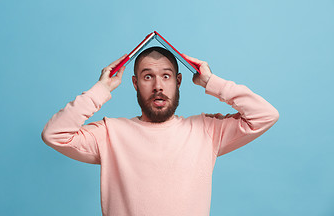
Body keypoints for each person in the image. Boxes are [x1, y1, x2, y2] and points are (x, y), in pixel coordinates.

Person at [41, 46, 279, 216]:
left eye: (166, 76)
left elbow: (265, 115)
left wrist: (212, 82)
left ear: (178, 81)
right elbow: (55, 134)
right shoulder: (110, 133)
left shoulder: (206, 130)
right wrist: (101, 89)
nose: (158, 86)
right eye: (148, 77)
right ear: (135, 83)